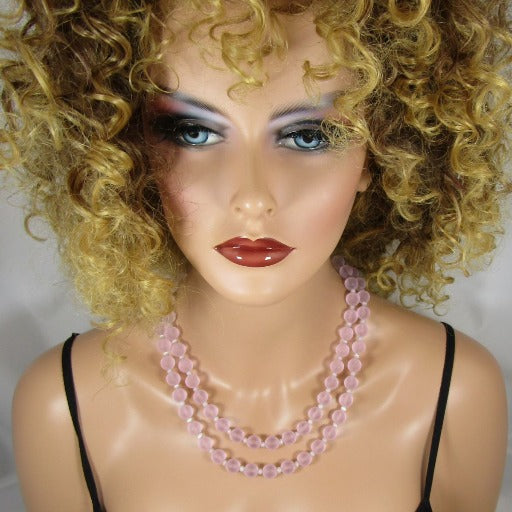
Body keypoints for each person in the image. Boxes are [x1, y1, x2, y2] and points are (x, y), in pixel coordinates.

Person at [1, 0, 510, 510]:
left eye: (307, 136)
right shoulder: (62, 406)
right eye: (194, 132)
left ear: (379, 152)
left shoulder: (455, 394)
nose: (251, 198)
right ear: (125, 150)